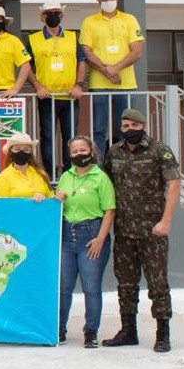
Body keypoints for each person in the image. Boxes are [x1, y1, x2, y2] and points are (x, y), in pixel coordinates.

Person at [101, 108, 180, 353]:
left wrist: (166, 221)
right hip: (124, 230)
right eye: (124, 126)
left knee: (157, 284)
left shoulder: (160, 150)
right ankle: (128, 331)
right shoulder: (114, 151)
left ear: (142, 125)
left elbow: (174, 184)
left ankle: (162, 334)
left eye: (133, 125)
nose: (129, 130)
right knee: (125, 283)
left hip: (152, 230)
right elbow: (106, 186)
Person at [53, 135, 115, 349]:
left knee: (91, 288)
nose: (79, 154)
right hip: (67, 236)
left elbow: (109, 211)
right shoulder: (65, 176)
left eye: (82, 150)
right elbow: (60, 205)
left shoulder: (101, 178)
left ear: (91, 151)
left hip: (92, 235)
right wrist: (57, 199)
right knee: (63, 288)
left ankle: (91, 332)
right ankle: (59, 330)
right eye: (75, 151)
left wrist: (101, 238)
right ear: (69, 155)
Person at [79, 0, 145, 155]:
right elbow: (87, 51)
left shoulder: (130, 19)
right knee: (99, 129)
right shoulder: (89, 22)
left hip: (126, 84)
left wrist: (114, 68)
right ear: (98, 0)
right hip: (99, 84)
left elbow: (137, 51)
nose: (108, 1)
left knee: (127, 128)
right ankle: (99, 168)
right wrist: (107, 71)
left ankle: (125, 164)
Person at [27, 1, 87, 180]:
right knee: (48, 138)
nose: (52, 15)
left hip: (70, 96)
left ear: (62, 16)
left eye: (56, 12)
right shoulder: (33, 39)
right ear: (42, 16)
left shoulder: (73, 37)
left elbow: (81, 62)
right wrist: (38, 86)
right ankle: (51, 176)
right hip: (47, 97)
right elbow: (26, 66)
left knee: (71, 138)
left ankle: (70, 174)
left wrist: (79, 85)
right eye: (48, 13)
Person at [0, 132, 53, 200]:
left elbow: (51, 199)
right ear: (10, 153)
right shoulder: (4, 177)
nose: (22, 152)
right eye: (17, 149)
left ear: (31, 153)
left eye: (26, 149)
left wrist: (44, 198)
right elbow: (2, 206)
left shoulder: (41, 174)